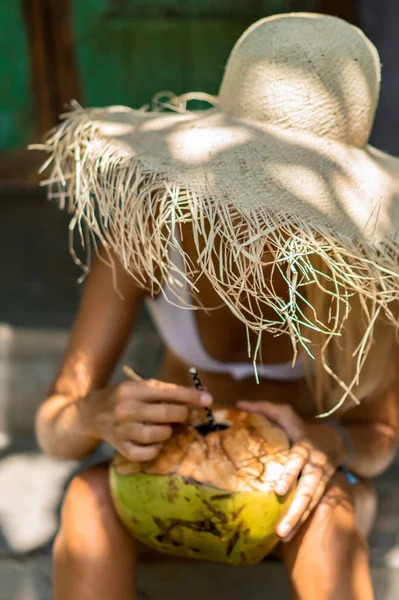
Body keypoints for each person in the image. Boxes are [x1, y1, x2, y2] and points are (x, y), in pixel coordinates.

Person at [35, 13, 399, 600]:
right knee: (86, 503)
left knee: (330, 515)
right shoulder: (150, 231)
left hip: (295, 484)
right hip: (171, 471)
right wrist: (93, 415)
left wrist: (333, 444)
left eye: (298, 202)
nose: (265, 221)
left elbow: (381, 434)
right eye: (246, 183)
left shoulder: (368, 270)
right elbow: (53, 425)